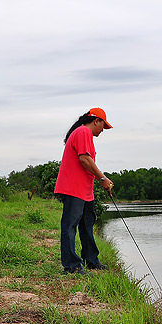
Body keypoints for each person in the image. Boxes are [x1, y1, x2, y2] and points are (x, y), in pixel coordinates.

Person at [53, 108, 115, 274]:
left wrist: (101, 180)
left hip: (85, 191)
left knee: (87, 225)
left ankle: (91, 260)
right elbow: (84, 159)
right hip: (73, 188)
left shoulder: (84, 134)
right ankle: (71, 266)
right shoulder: (83, 132)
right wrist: (102, 178)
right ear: (96, 121)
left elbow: (87, 163)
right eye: (103, 126)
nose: (103, 130)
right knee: (70, 226)